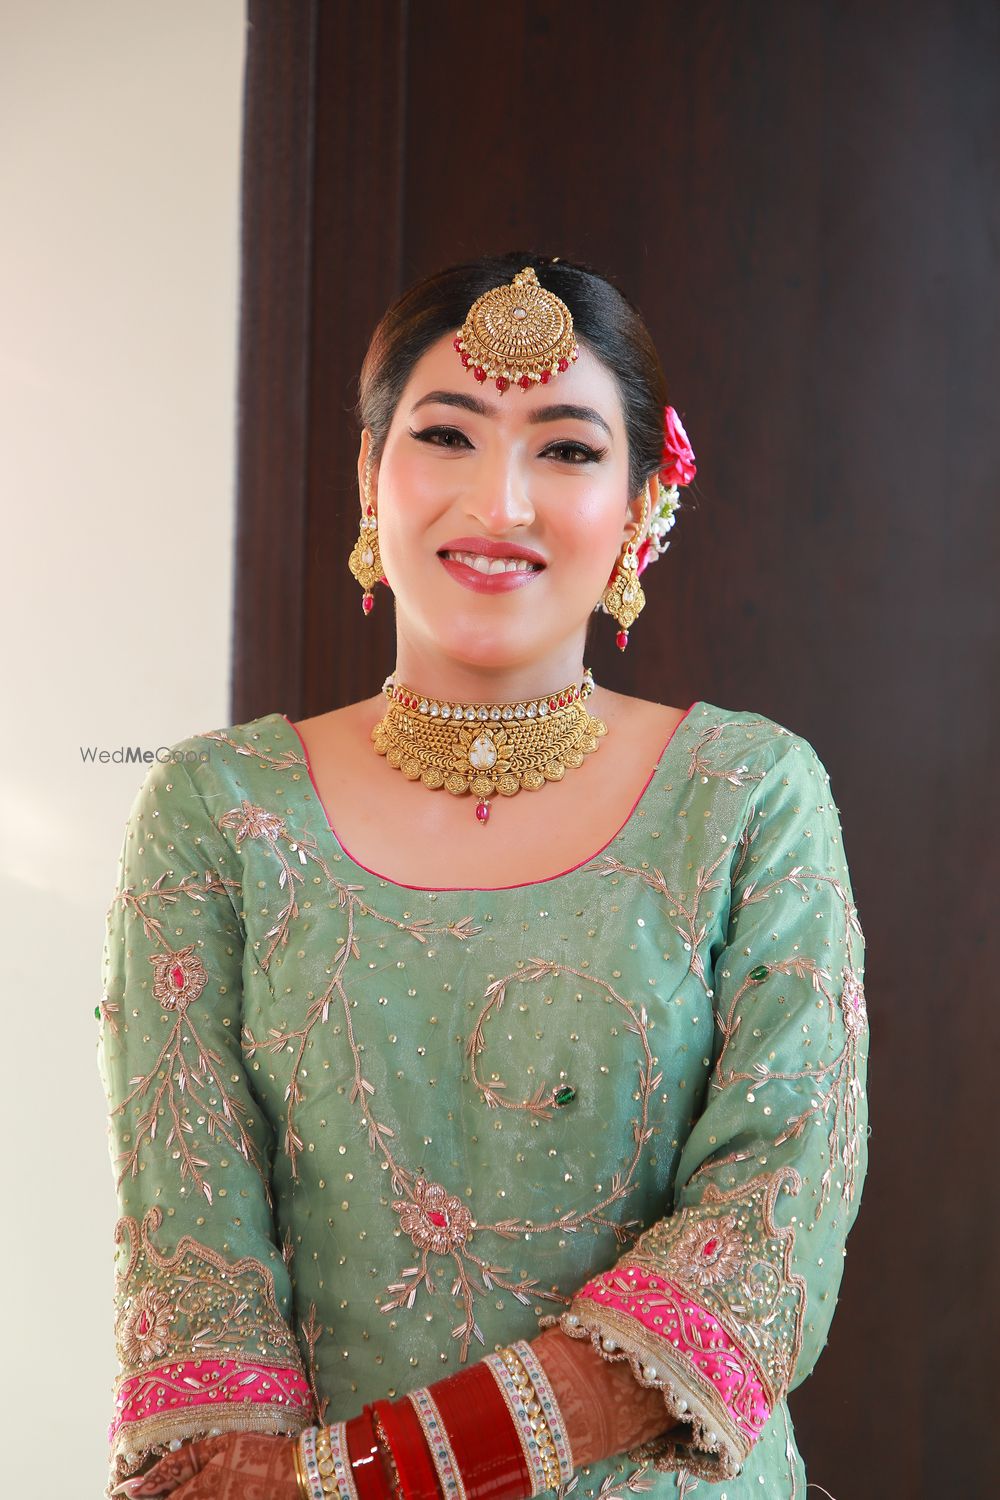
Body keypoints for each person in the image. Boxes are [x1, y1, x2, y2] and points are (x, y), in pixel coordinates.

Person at [98, 254, 869, 1500]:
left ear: (641, 504)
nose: (498, 501)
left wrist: (347, 1479)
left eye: (565, 449)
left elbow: (758, 1255)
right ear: (370, 474)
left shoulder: (747, 797)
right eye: (446, 434)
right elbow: (196, 1280)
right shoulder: (222, 811)